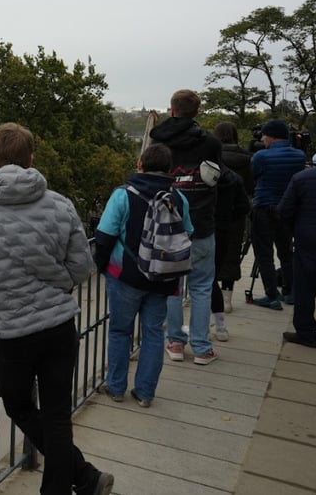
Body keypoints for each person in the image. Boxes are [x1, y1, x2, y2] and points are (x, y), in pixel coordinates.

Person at [0, 123, 114, 495]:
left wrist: (6, 286)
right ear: (31, 160)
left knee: (19, 406)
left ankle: (85, 476)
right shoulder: (60, 204)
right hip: (59, 326)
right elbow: (81, 267)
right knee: (57, 415)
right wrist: (53, 284)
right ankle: (81, 478)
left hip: (12, 330)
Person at [94, 144, 193, 408]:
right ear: (170, 169)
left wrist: (101, 266)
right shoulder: (178, 199)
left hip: (126, 274)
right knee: (152, 332)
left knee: (119, 331)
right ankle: (145, 393)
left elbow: (104, 236)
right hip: (163, 278)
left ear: (140, 165)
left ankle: (116, 387)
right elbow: (187, 234)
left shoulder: (123, 195)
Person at [149, 89, 222, 365]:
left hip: (167, 222)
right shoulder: (211, 143)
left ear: (171, 110)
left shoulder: (158, 140)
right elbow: (218, 177)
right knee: (202, 286)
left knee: (172, 286)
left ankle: (176, 343)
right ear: (197, 112)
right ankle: (202, 348)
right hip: (202, 221)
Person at [250, 119, 307, 309]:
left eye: (264, 135)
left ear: (272, 136)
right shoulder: (299, 156)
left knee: (264, 253)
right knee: (286, 251)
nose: (262, 139)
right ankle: (289, 292)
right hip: (287, 208)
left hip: (264, 205)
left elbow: (255, 175)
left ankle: (271, 295)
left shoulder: (261, 156)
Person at [278, 143, 316, 348]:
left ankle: (305, 331)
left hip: (308, 238)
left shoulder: (302, 178)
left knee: (305, 286)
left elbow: (284, 211)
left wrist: (294, 231)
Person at [212, 123, 253, 312]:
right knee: (232, 251)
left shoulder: (211, 156)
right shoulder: (247, 158)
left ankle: (212, 295)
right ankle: (227, 297)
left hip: (212, 210)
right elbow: (250, 188)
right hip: (234, 212)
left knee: (209, 254)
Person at [211, 166, 250, 338]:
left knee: (200, 284)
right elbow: (243, 206)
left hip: (201, 230)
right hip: (223, 230)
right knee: (211, 280)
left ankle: (197, 331)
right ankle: (220, 327)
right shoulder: (233, 177)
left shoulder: (195, 172)